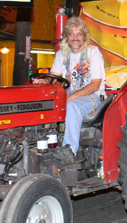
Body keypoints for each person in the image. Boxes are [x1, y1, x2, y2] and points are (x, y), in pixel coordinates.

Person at [34, 17, 106, 162]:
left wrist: (70, 98)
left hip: (93, 96)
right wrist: (44, 81)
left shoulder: (93, 53)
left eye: (79, 34)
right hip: (68, 96)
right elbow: (53, 77)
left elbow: (95, 85)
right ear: (66, 36)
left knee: (72, 106)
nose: (75, 38)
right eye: (71, 34)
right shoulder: (62, 54)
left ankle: (69, 149)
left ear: (84, 36)